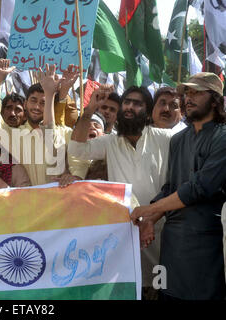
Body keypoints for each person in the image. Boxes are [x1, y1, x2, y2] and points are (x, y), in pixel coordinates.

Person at [68, 84, 176, 299]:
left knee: (162, 287)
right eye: (126, 102)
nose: (129, 107)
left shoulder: (166, 138)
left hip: (161, 230)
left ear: (148, 111)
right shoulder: (111, 142)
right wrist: (89, 111)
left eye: (137, 104)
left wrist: (151, 219)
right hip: (127, 232)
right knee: (133, 288)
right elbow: (77, 149)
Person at [131, 72, 226, 300]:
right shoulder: (178, 139)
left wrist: (150, 210)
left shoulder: (222, 137)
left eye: (197, 92)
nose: (189, 98)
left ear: (214, 99)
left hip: (205, 242)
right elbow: (170, 186)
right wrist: (150, 221)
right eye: (188, 93)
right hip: (172, 242)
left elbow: (198, 188)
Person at [0, 59, 79, 186]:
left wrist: (73, 174)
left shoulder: (66, 133)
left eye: (43, 103)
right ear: (25, 103)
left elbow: (79, 161)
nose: (37, 107)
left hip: (60, 202)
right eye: (33, 100)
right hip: (29, 203)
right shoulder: (15, 135)